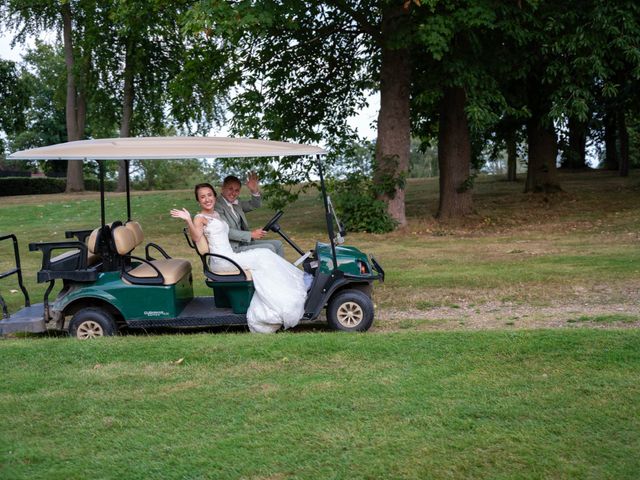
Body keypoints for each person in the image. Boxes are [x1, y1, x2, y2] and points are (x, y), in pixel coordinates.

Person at [171, 183, 306, 333]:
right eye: (202, 197)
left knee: (265, 254)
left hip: (230, 256)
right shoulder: (199, 217)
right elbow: (197, 237)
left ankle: (282, 293)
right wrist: (188, 219)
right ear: (198, 200)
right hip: (222, 261)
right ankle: (282, 298)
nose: (207, 199)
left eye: (209, 195)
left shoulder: (215, 214)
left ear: (215, 196)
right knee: (264, 255)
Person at [214, 173, 285, 257]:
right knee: (269, 248)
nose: (233, 193)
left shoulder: (237, 203)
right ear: (223, 188)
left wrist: (254, 191)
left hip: (244, 243)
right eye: (230, 189)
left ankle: (278, 270)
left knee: (278, 244)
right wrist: (251, 234)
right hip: (232, 248)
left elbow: (255, 205)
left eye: (237, 190)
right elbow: (225, 231)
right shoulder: (217, 206)